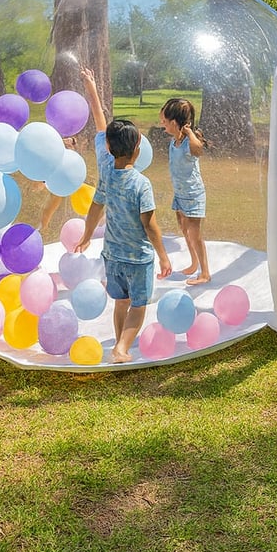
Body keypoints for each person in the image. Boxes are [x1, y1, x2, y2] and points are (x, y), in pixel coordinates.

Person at [75, 68, 171, 362]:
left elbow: (95, 207)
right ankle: (121, 348)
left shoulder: (106, 170)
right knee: (138, 305)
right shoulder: (142, 184)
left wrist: (86, 235)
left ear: (107, 146)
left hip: (112, 256)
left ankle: (120, 345)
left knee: (120, 302)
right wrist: (163, 256)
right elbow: (150, 226)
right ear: (138, 148)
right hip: (138, 259)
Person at [159, 97, 211, 285]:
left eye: (164, 121)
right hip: (180, 195)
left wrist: (189, 133)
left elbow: (199, 151)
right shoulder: (174, 142)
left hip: (193, 196)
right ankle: (194, 263)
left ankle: (205, 273)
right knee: (184, 229)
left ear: (175, 123)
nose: (162, 124)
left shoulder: (190, 142)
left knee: (194, 234)